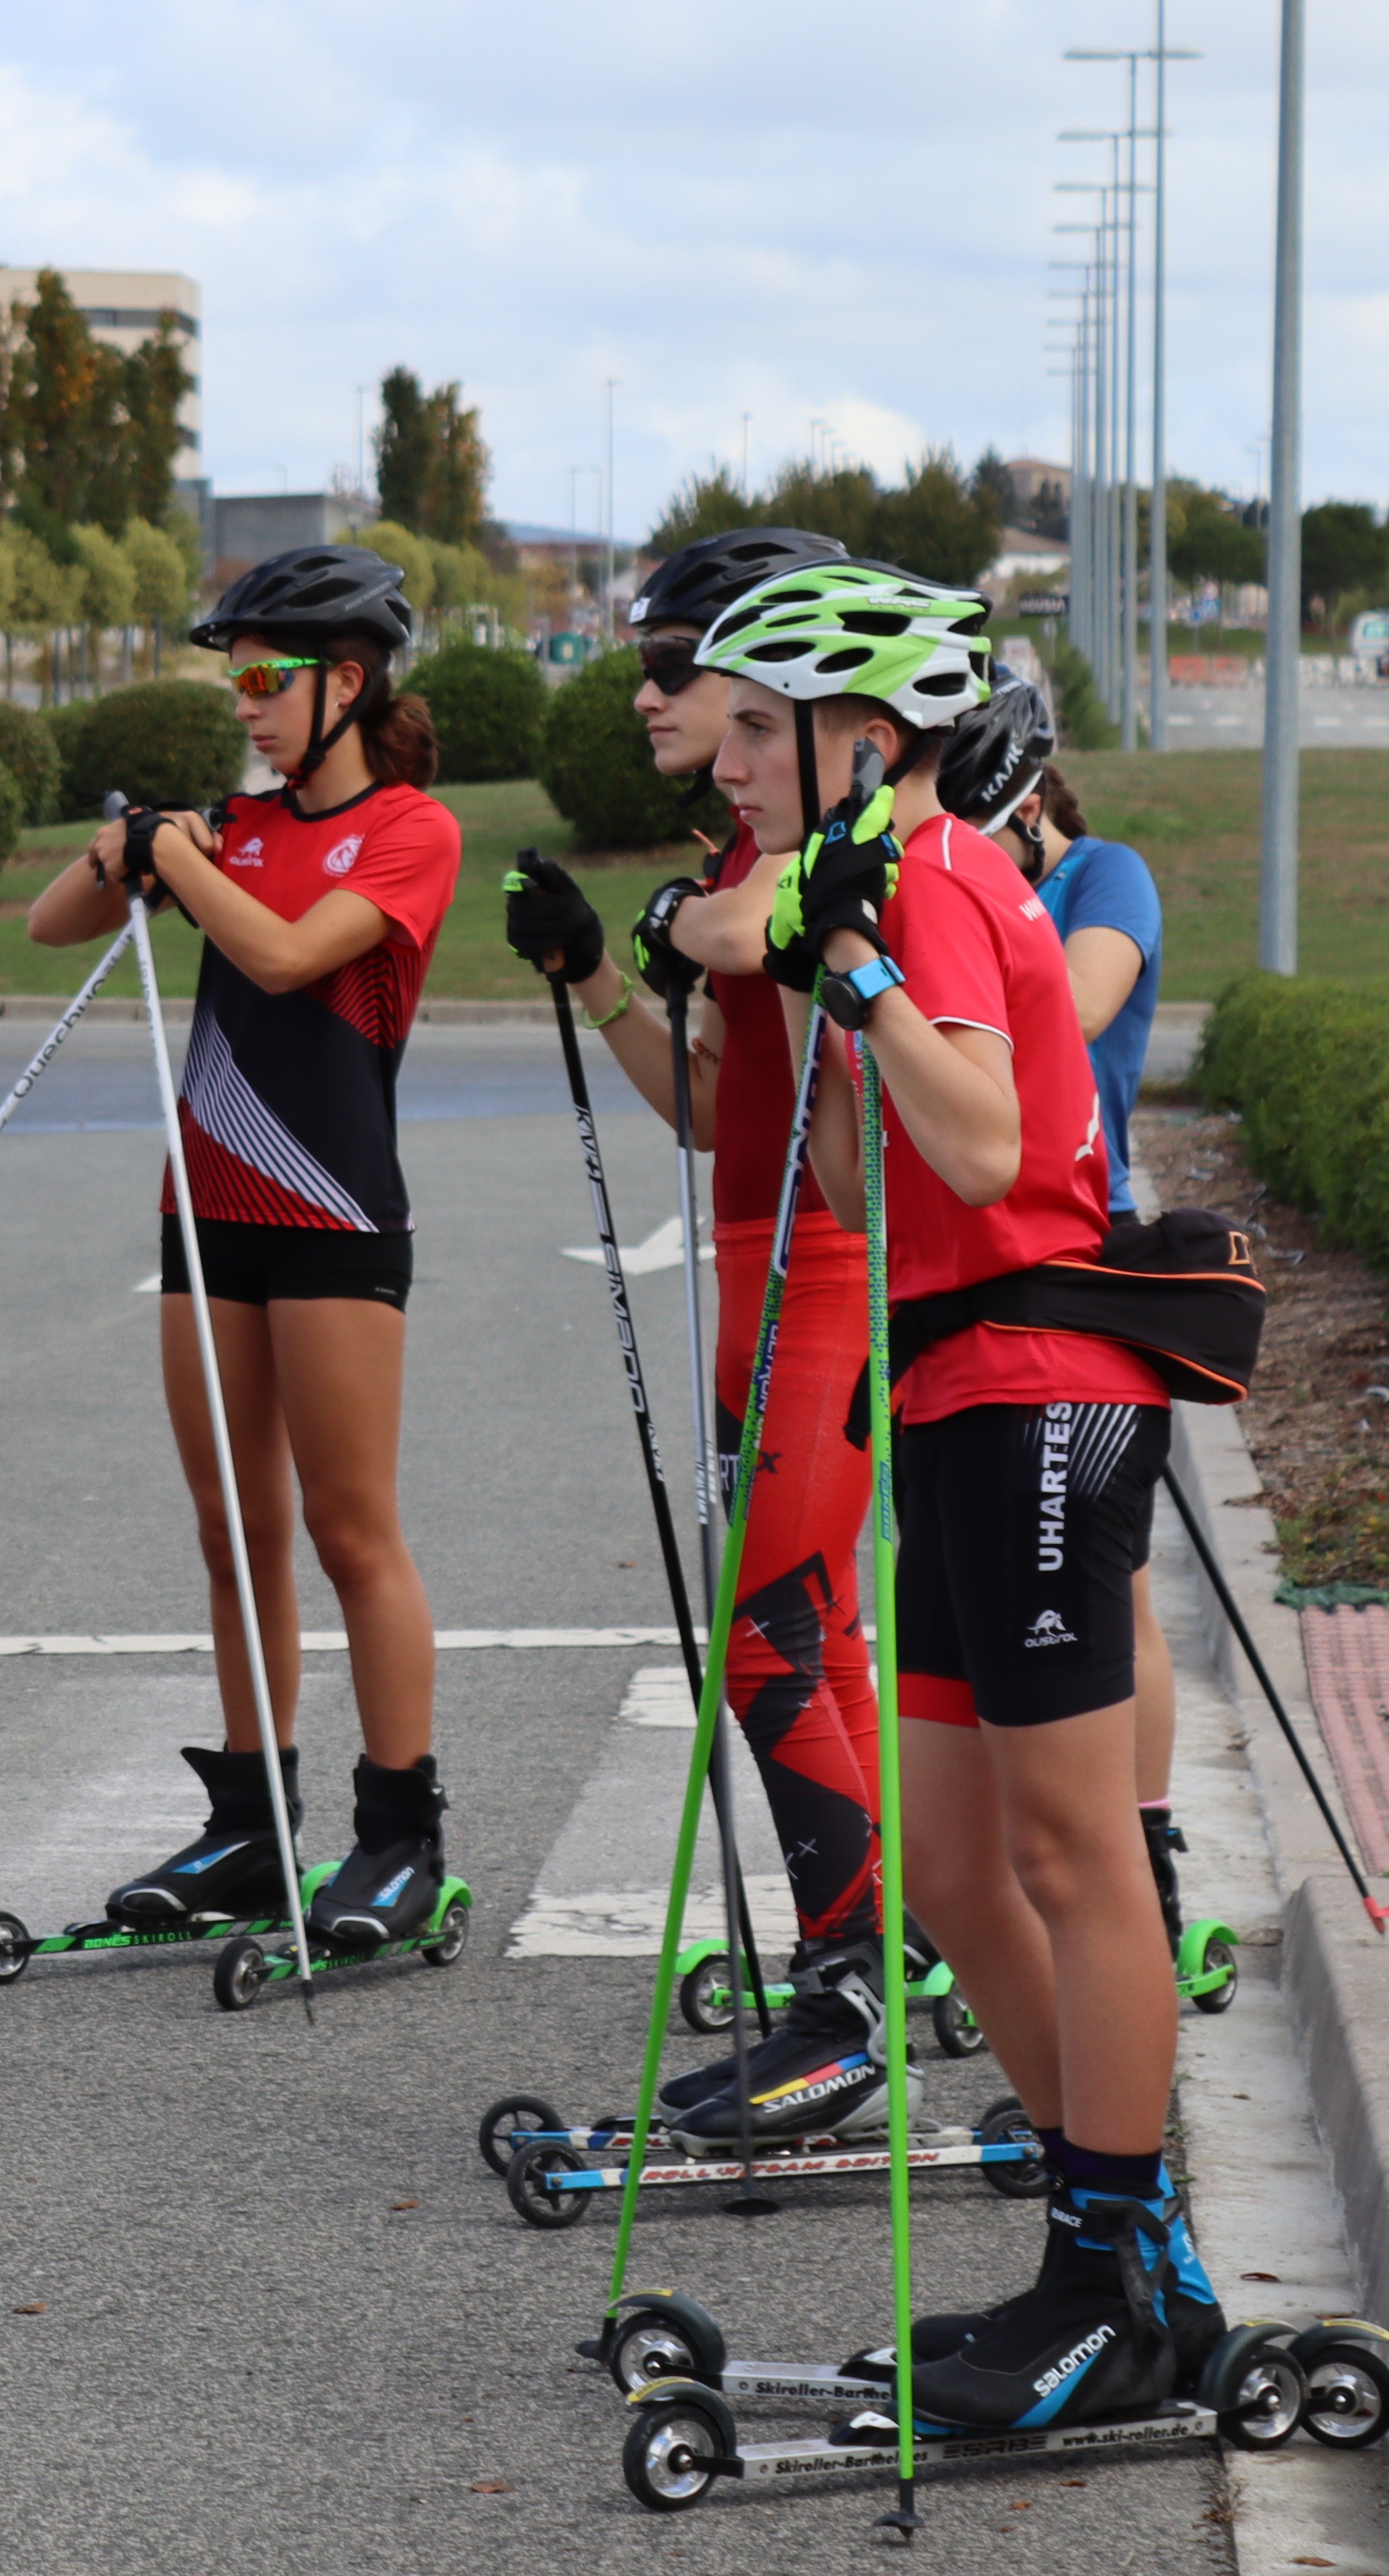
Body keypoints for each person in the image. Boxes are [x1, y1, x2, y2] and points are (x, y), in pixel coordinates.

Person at [723, 561, 1220, 2427]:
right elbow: (862, 1185)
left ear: (865, 735)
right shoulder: (894, 881)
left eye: (760, 729)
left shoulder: (933, 874)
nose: (733, 766)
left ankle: (1114, 2278)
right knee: (947, 1858)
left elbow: (996, 1145)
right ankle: (1129, 2245)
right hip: (948, 1390)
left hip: (1039, 1394)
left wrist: (857, 963)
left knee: (1074, 1853)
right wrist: (820, 992)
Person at [499, 527, 898, 2142]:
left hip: (825, 1268)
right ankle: (872, 1946)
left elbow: (807, 1060)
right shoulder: (744, 853)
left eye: (684, 669)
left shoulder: (805, 858)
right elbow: (720, 1109)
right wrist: (603, 967)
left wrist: (701, 923)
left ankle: (847, 1993)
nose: (654, 697)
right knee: (816, 1636)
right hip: (755, 1262)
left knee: (768, 1635)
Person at [23, 542, 465, 1950]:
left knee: (350, 1531)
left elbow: (283, 955)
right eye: (237, 681)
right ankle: (253, 1819)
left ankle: (399, 1833)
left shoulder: (410, 830)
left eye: (270, 678)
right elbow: (49, 924)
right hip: (203, 1213)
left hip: (333, 1213)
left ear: (349, 682)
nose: (248, 703)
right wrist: (129, 847)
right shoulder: (233, 825)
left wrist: (178, 860)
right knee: (233, 1530)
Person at [967, 699, 1198, 1954]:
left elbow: (1078, 1005)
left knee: (1120, 1584)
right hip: (970, 1255)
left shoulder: (1106, 876)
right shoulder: (962, 882)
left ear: (1027, 799)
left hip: (1085, 1242)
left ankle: (1143, 1850)